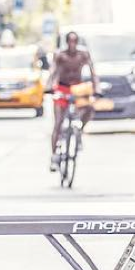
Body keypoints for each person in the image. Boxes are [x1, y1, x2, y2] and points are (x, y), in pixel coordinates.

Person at [45, 30, 99, 171]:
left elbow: (94, 73)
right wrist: (49, 87)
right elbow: (53, 72)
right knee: (58, 122)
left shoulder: (83, 55)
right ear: (66, 42)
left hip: (78, 89)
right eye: (70, 41)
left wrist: (96, 88)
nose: (72, 44)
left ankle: (79, 129)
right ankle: (54, 156)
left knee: (89, 108)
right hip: (62, 88)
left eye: (75, 41)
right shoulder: (60, 55)